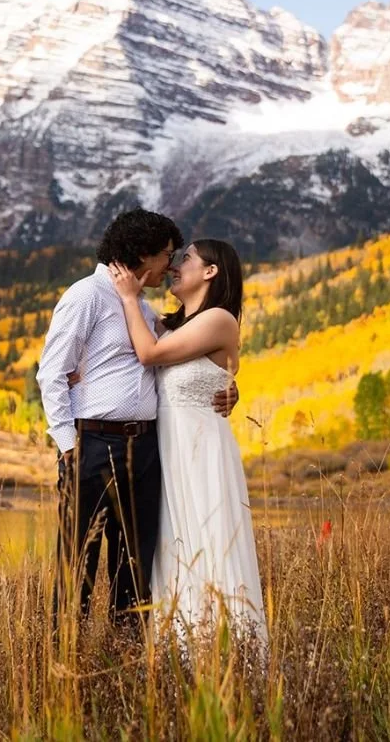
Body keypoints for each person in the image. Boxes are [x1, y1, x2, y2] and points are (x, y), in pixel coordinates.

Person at [38, 209, 236, 633]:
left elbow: (187, 357)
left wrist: (226, 385)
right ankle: (63, 657)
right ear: (143, 255)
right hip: (93, 444)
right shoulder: (86, 295)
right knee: (79, 558)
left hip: (146, 449)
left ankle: (126, 656)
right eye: (167, 255)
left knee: (135, 560)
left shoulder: (142, 309)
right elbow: (51, 372)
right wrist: (68, 445)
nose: (171, 265)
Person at [107, 239, 266, 645]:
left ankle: (225, 652)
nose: (176, 266)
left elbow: (149, 354)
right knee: (173, 546)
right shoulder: (176, 323)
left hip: (201, 453)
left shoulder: (220, 319)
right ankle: (181, 652)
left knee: (208, 543)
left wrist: (129, 296)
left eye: (186, 259)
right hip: (170, 453)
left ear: (211, 272)